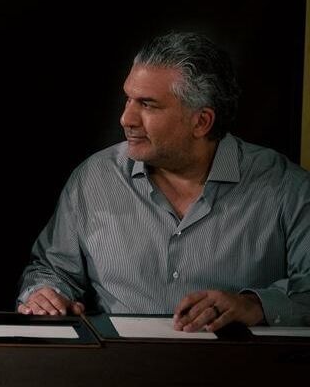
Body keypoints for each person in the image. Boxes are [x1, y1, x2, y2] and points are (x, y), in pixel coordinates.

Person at [18, 32, 310, 330]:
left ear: (201, 121)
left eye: (147, 104)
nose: (126, 119)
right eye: (128, 99)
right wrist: (44, 294)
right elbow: (51, 271)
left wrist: (254, 306)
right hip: (120, 358)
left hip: (236, 359)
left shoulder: (287, 188)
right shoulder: (94, 178)